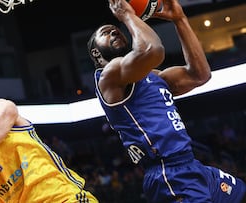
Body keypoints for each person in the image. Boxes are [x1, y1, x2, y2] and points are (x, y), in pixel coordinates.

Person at [87, 0, 246, 202]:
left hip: (191, 164)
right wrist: (128, 15)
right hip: (167, 173)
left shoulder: (154, 77)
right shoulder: (108, 77)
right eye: (106, 33)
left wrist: (180, 19)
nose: (114, 32)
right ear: (95, 52)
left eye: (115, 30)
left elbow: (199, 75)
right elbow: (153, 50)